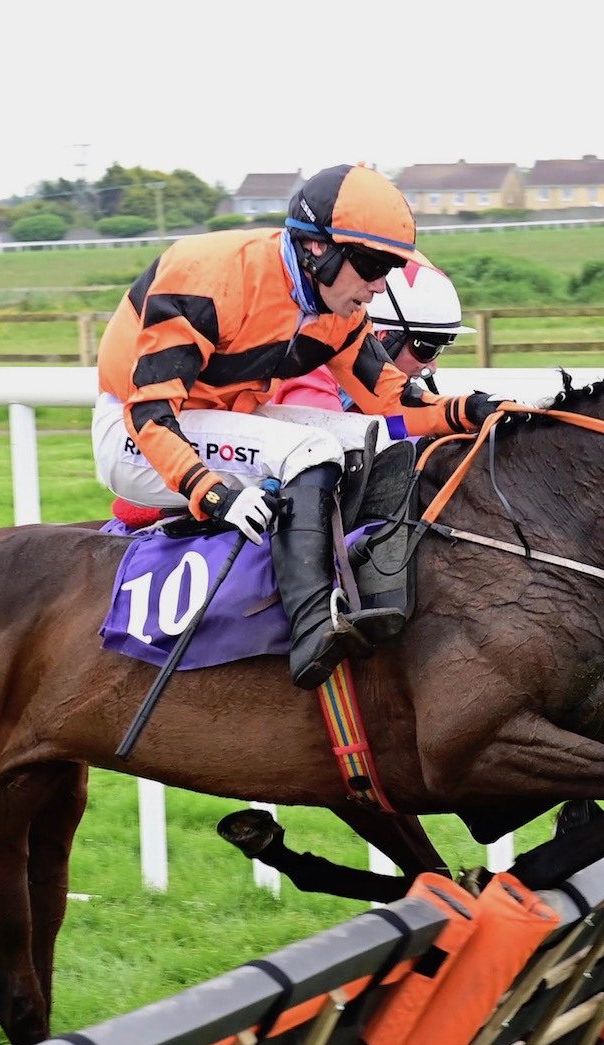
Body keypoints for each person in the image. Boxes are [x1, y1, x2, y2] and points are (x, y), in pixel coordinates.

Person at [94, 163, 506, 689]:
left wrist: (465, 410)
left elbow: (389, 398)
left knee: (367, 440)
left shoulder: (336, 309)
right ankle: (313, 628)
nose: (379, 287)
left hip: (217, 420)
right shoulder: (207, 276)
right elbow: (151, 413)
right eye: (372, 265)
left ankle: (372, 589)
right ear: (317, 248)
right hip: (139, 436)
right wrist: (214, 493)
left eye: (389, 268)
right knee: (309, 449)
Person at [273, 261, 474, 410]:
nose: (432, 367)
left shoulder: (372, 390)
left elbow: (399, 428)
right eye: (427, 349)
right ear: (382, 337)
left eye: (439, 351)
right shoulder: (312, 372)